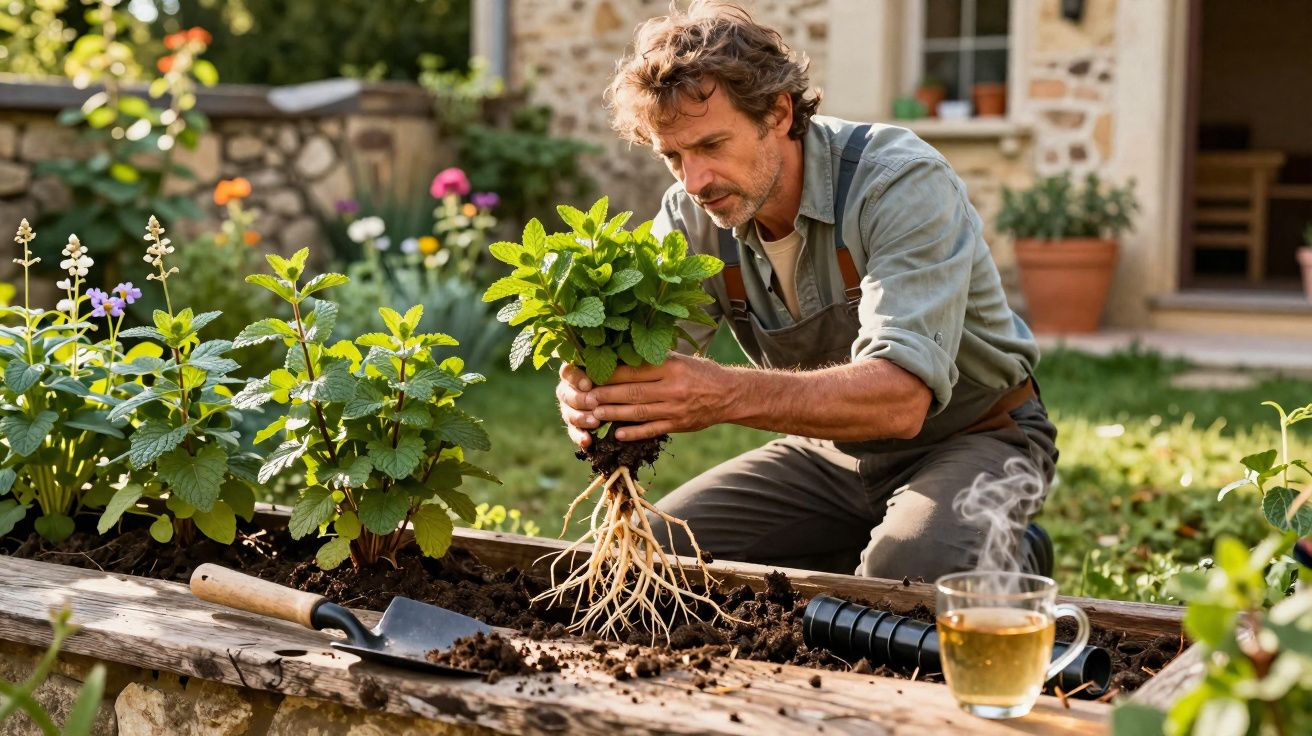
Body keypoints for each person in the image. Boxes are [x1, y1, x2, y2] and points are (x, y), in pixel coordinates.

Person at [554, 1, 1058, 580]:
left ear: (777, 111)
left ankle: (1013, 555)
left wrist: (724, 393)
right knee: (651, 559)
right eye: (674, 156)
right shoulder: (692, 215)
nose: (694, 181)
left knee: (906, 576)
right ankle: (853, 546)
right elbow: (654, 355)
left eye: (712, 145)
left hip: (974, 438)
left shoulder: (897, 182)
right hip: (829, 451)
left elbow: (900, 401)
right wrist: (601, 392)